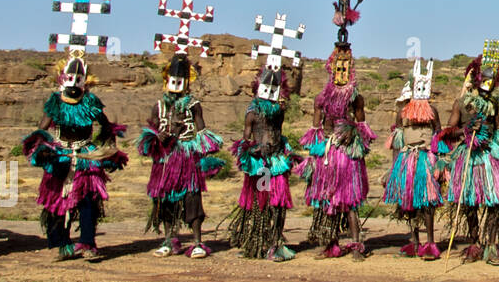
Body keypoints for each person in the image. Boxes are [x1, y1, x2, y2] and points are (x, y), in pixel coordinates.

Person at [22, 53, 128, 261]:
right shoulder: (55, 102)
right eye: (70, 77)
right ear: (62, 78)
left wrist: (106, 149)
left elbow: (106, 126)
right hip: (60, 155)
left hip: (86, 157)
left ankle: (88, 243)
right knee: (57, 201)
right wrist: (42, 149)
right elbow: (42, 129)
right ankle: (63, 244)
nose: (74, 82)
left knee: (88, 201)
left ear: (85, 81)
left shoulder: (90, 102)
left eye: (79, 78)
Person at [137, 53, 224, 258]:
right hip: (165, 160)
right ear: (167, 81)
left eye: (181, 81)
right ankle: (169, 240)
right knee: (166, 198)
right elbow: (150, 130)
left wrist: (205, 156)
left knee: (192, 197)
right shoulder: (158, 106)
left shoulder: (194, 105)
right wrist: (159, 136)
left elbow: (202, 131)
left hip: (187, 157)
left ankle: (197, 242)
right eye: (173, 81)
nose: (176, 85)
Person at [442, 41, 499, 265]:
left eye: (492, 78)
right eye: (484, 76)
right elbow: (448, 132)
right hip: (469, 158)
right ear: (475, 77)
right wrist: (464, 132)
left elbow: (498, 130)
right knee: (470, 203)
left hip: (489, 156)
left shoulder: (493, 103)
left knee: (494, 202)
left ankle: (492, 246)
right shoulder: (462, 103)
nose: (488, 81)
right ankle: (474, 244)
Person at [300, 40, 375, 259]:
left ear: (350, 68)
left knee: (350, 202)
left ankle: (355, 246)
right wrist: (314, 155)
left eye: (345, 66)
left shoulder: (355, 97)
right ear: (331, 67)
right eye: (337, 66)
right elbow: (316, 128)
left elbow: (362, 126)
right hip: (328, 154)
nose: (341, 70)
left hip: (348, 155)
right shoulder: (321, 98)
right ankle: (330, 245)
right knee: (327, 200)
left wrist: (352, 132)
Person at [230, 66, 302, 261]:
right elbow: (246, 138)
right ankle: (258, 242)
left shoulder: (278, 111)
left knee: (278, 203)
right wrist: (250, 149)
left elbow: (277, 123)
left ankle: (275, 242)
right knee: (260, 202)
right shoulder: (252, 113)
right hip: (261, 166)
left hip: (277, 163)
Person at [383, 58, 444, 259]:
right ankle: (415, 242)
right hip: (406, 159)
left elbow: (438, 136)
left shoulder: (432, 111)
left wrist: (441, 163)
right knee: (408, 200)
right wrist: (394, 168)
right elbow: (397, 140)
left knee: (427, 202)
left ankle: (431, 243)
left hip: (426, 159)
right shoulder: (402, 113)